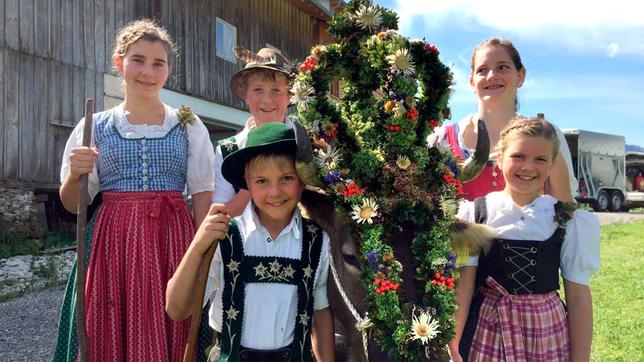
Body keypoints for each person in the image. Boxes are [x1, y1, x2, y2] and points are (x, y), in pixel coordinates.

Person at [53, 19, 214, 361]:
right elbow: (72, 204)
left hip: (171, 243)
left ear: (168, 70)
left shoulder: (188, 125)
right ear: (119, 63)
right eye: (138, 60)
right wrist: (75, 175)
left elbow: (202, 197)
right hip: (113, 245)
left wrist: (202, 259)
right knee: (107, 328)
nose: (148, 72)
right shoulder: (93, 126)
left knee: (173, 320)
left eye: (159, 63)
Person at [167, 122, 335, 362]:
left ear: (302, 179)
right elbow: (176, 309)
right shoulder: (224, 237)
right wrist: (198, 245)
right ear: (247, 182)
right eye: (262, 181)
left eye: (286, 178)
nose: (274, 192)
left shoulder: (317, 242)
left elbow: (319, 311)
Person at [448, 118, 600, 362]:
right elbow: (464, 284)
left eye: (540, 159)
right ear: (500, 159)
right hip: (489, 327)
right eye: (518, 156)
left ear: (551, 166)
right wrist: (453, 340)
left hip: (546, 329)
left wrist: (580, 358)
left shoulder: (565, 219)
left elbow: (578, 297)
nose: (528, 167)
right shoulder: (476, 213)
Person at [428, 38, 577, 202]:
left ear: (520, 76)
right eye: (482, 70)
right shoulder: (442, 139)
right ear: (472, 82)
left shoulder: (548, 136)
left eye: (502, 67)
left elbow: (565, 212)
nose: (491, 76)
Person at [213, 47, 296, 216]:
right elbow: (221, 215)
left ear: (290, 96)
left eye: (276, 90)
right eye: (258, 89)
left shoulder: (307, 140)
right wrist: (252, 184)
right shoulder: (228, 150)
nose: (267, 100)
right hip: (247, 241)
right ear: (246, 95)